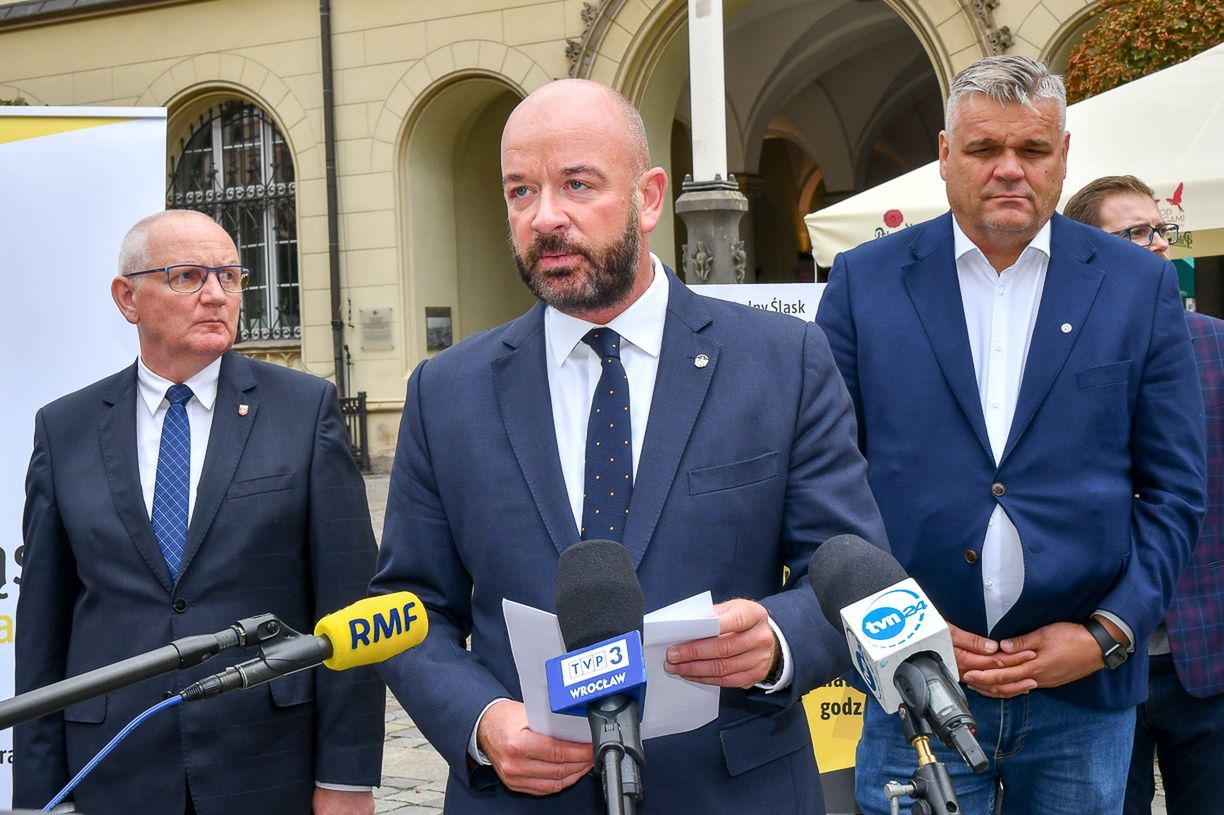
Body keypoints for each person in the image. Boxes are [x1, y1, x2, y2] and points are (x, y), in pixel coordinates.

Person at [370, 78, 887, 814]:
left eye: (577, 184)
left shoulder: (783, 361)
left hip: (732, 789)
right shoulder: (446, 390)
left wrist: (775, 640)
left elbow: (848, 571)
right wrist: (481, 723)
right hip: (524, 797)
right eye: (521, 191)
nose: (545, 217)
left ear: (648, 198)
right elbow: (407, 606)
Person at [816, 57, 1205, 815]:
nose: (1008, 170)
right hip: (913, 686)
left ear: (1063, 155)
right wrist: (903, 632)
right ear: (943, 155)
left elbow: (1175, 488)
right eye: (983, 149)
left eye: (1031, 150)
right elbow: (825, 484)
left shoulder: (1137, 285)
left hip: (1083, 695)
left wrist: (1108, 632)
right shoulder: (864, 282)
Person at [16, 210, 385, 815]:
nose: (217, 294)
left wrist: (345, 779)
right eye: (188, 276)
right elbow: (42, 630)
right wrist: (40, 797)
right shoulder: (66, 429)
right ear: (127, 298)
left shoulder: (302, 409)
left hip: (266, 764)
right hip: (113, 767)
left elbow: (350, 606)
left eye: (230, 276)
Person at [1065, 174, 1224, 815]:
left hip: (1206, 655)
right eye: (1134, 233)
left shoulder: (1215, 347)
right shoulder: (1054, 358)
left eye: (1161, 230)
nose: (1157, 245)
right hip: (1090, 661)